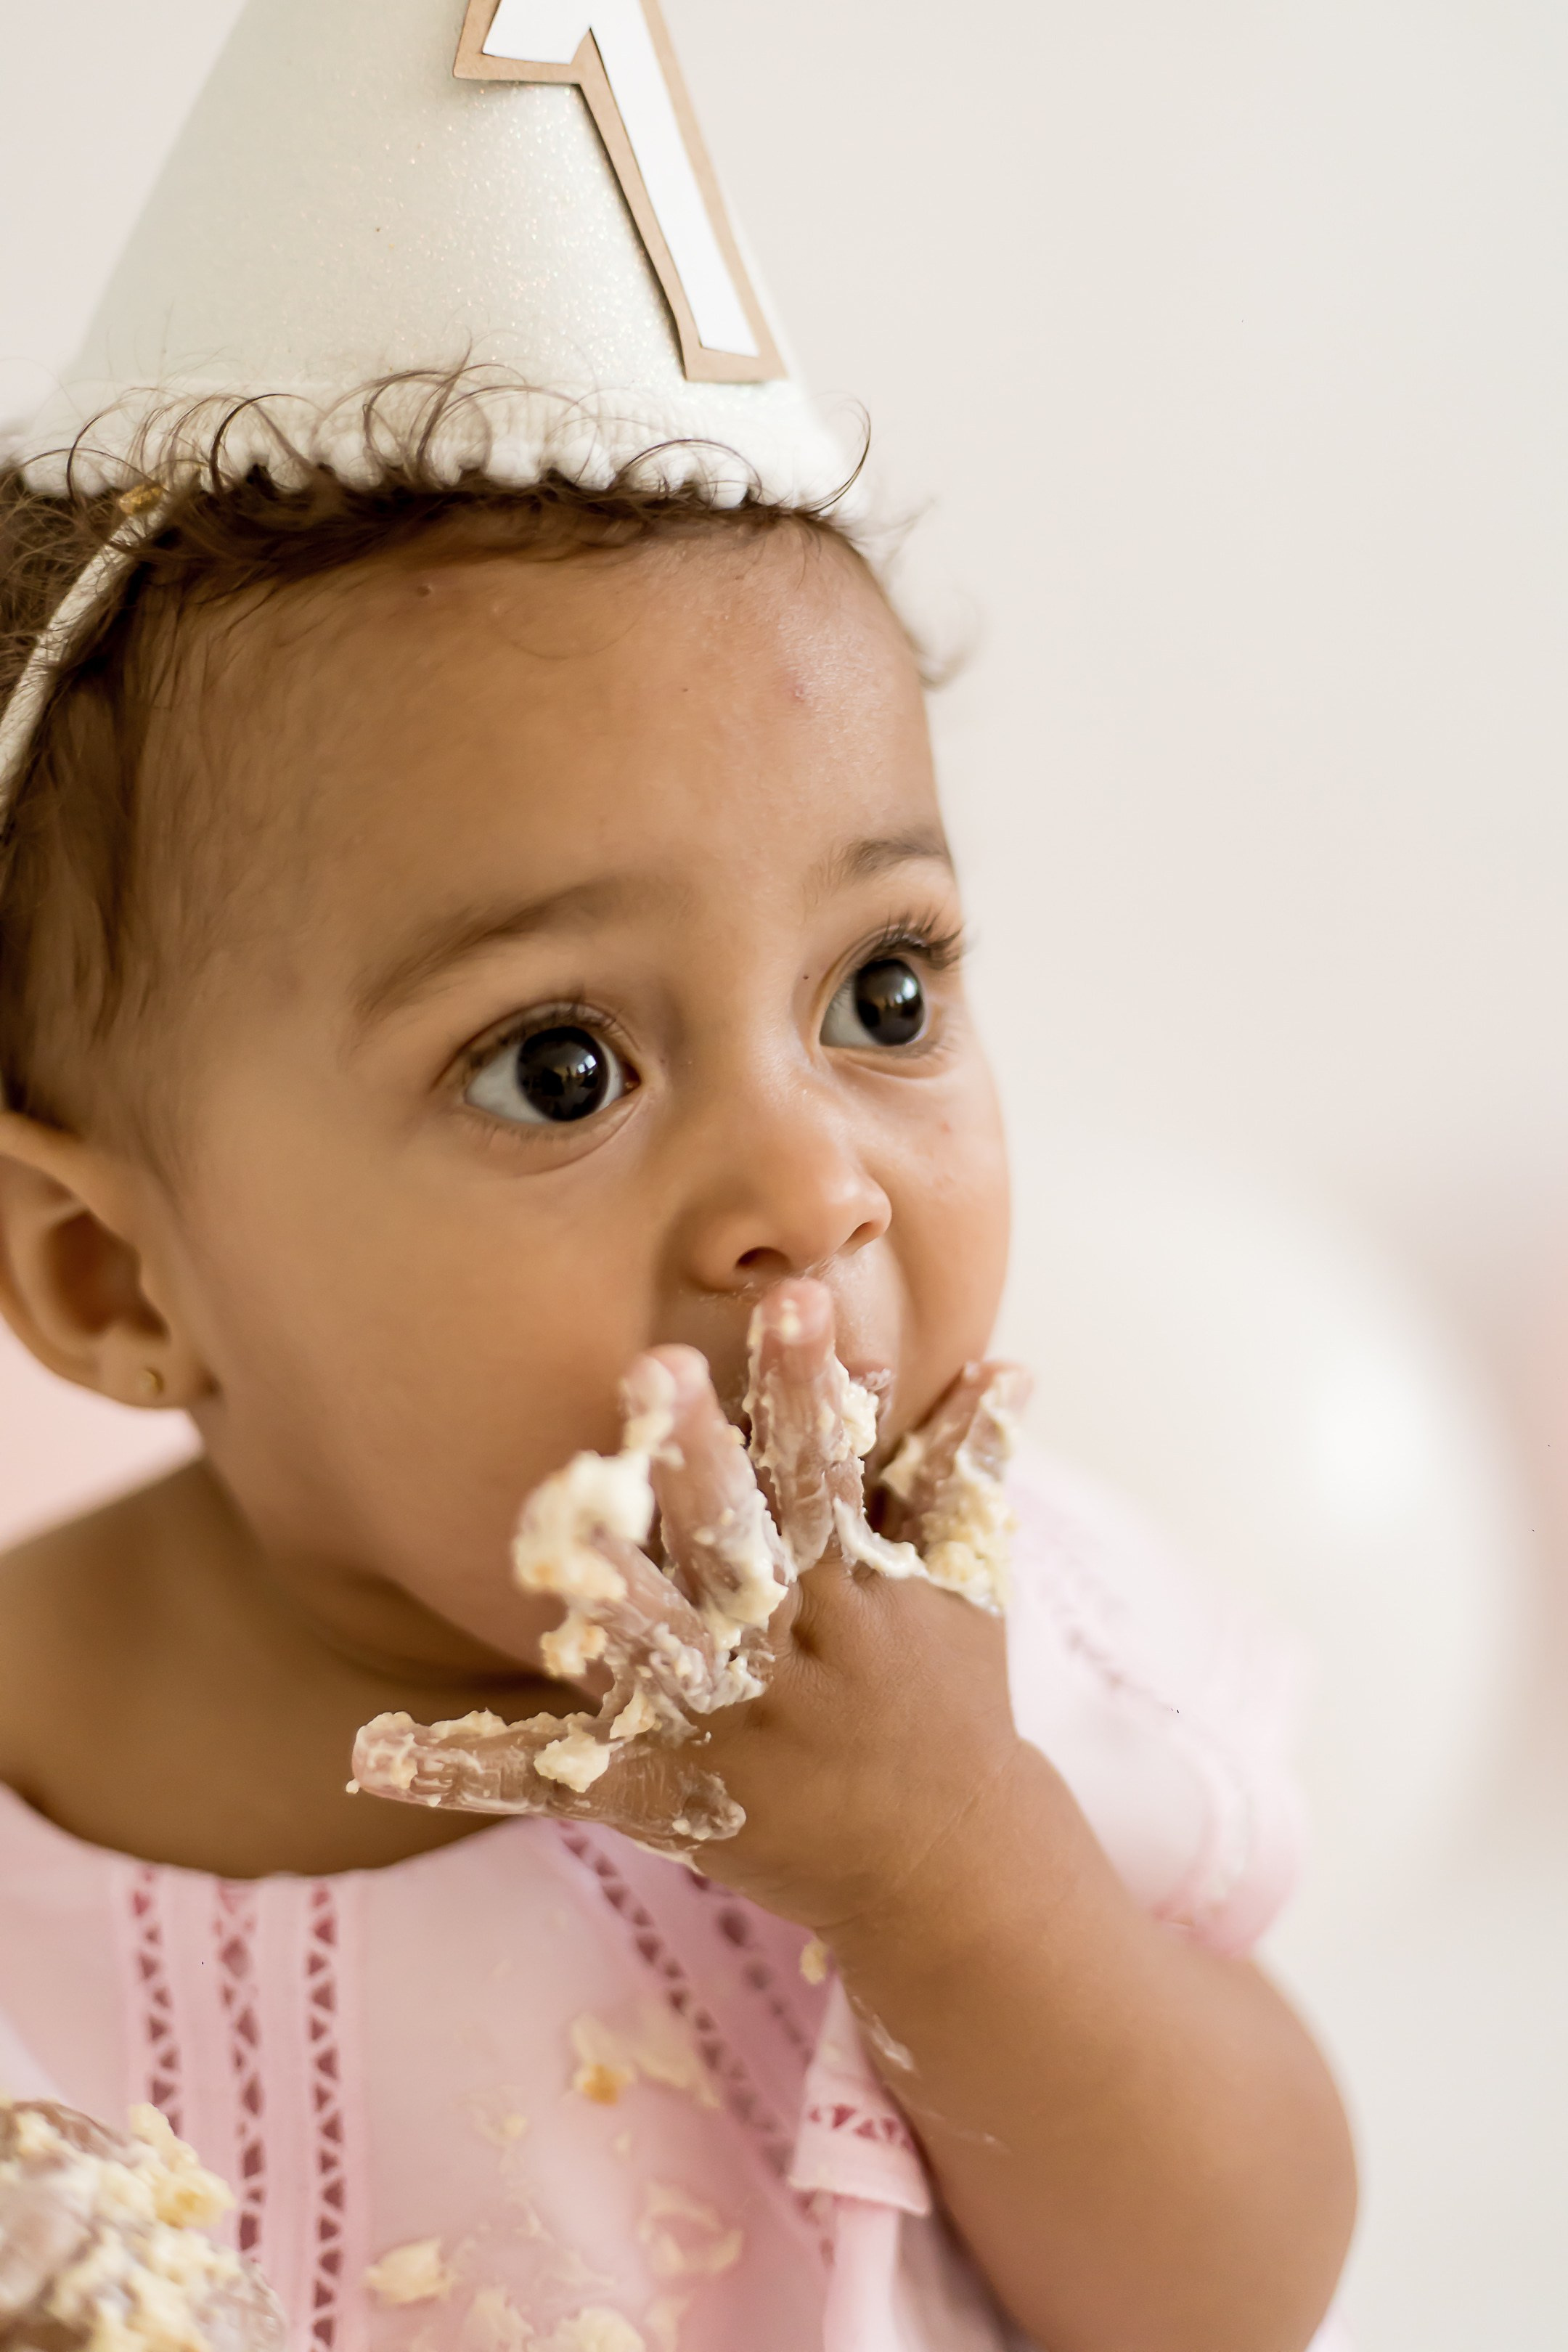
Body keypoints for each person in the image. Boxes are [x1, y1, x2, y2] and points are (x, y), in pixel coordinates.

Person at [0, 7, 1355, 2351]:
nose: (809, 1187)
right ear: (120, 1276)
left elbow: (1238, 2286)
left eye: (886, 995)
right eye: (559, 1063)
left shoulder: (992, 1678)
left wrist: (957, 1879)